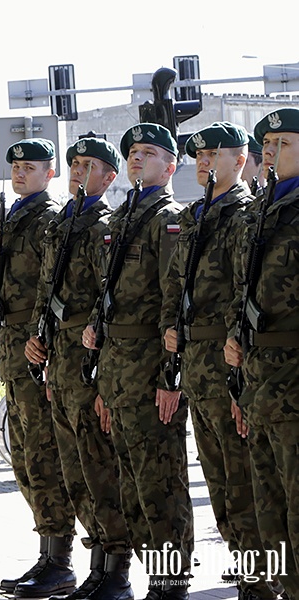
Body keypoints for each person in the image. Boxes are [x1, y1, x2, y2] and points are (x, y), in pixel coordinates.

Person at [162, 122, 275, 600]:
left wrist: (240, 376)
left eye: (214, 154)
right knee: (222, 485)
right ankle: (246, 569)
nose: (204, 162)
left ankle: (262, 581)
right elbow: (175, 283)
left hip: (229, 366)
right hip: (197, 365)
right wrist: (171, 333)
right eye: (199, 155)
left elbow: (244, 295)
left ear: (241, 158)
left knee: (247, 483)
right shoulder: (195, 216)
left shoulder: (246, 213)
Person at [82, 123, 193, 600]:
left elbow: (174, 304)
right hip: (118, 368)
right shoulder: (124, 217)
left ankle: (171, 580)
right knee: (132, 483)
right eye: (132, 152)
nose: (136, 159)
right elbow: (107, 294)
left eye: (148, 153)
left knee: (160, 480)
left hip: (150, 367)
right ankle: (153, 576)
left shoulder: (169, 219)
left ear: (170, 166)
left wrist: (170, 376)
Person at [23, 136, 133, 600]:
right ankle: (93, 567)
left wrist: (99, 367)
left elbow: (110, 299)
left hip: (88, 361)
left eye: (90, 165)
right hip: (60, 359)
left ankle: (117, 570)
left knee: (100, 468)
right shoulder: (62, 223)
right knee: (74, 472)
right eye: (74, 163)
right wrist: (36, 336)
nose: (78, 171)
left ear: (110, 177)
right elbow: (46, 288)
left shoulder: (103, 225)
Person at [0, 139, 76, 598]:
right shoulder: (16, 215)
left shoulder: (49, 218)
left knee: (42, 457)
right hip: (13, 346)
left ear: (50, 172)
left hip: (35, 349)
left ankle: (59, 560)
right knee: (23, 457)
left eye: (30, 167)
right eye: (16, 167)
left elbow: (53, 289)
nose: (20, 173)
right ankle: (46, 553)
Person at [224, 108, 299, 600]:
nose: (270, 152)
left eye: (284, 143)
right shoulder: (259, 212)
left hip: (294, 379)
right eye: (266, 144)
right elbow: (242, 288)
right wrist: (234, 335)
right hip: (260, 381)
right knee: (270, 511)